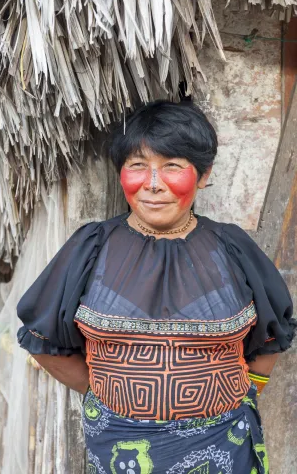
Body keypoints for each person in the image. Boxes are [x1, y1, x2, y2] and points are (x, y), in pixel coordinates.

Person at [17, 100, 296, 474]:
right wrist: (109, 397)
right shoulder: (92, 247)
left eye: (172, 167)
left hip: (222, 443)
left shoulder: (231, 248)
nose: (152, 184)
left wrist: (232, 397)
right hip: (121, 446)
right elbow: (44, 340)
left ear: (204, 173)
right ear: (121, 173)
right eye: (137, 166)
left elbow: (271, 337)